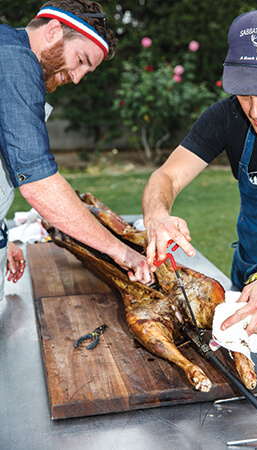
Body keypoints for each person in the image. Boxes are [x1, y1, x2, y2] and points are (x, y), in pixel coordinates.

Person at [142, 7, 257, 341]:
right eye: (245, 92)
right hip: (250, 283)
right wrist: (157, 215)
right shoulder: (227, 118)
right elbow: (166, 176)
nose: (256, 111)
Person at [0, 0, 153, 300]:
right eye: (81, 60)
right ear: (54, 30)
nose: (78, 77)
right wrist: (121, 253)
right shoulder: (15, 59)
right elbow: (38, 185)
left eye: (88, 70)